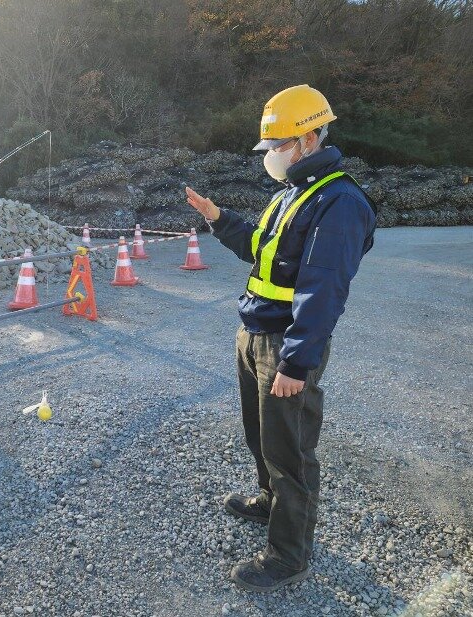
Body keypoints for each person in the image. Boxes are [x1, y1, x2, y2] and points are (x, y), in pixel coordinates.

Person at [185, 85, 376, 592]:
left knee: (290, 452)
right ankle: (269, 503)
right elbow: (259, 248)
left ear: (309, 138)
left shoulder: (338, 201)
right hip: (254, 336)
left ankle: (289, 554)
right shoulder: (291, 195)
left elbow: (323, 289)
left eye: (278, 145)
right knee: (262, 437)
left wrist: (296, 363)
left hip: (285, 346)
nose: (270, 156)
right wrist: (218, 218)